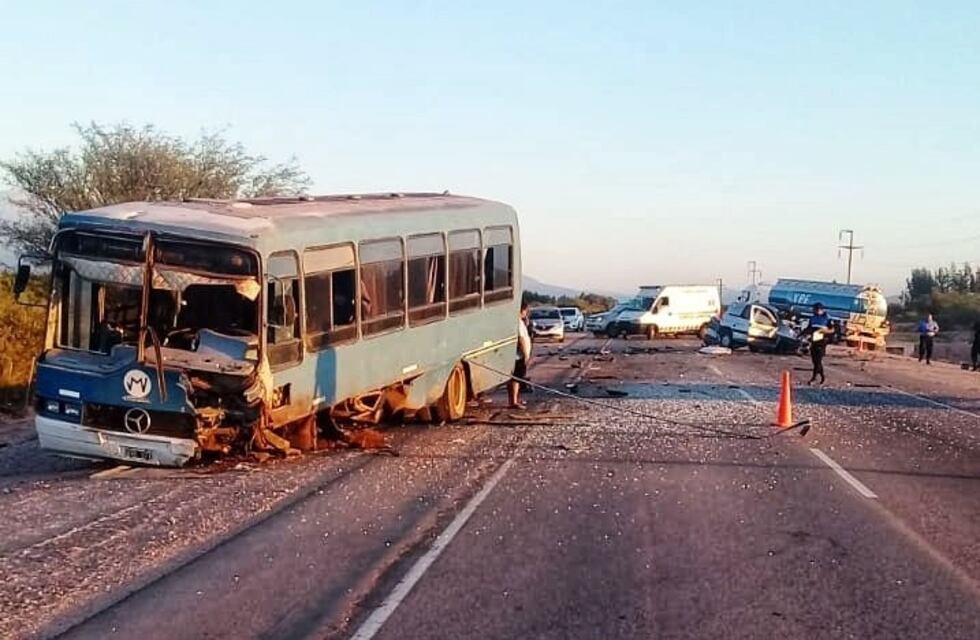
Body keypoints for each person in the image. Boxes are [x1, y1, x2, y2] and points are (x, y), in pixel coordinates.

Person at [509, 302, 532, 408]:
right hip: (519, 356)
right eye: (526, 311)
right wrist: (525, 354)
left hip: (517, 355)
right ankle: (514, 401)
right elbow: (521, 339)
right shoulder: (517, 322)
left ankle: (514, 400)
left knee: (515, 378)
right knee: (516, 378)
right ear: (521, 310)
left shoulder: (519, 322)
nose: (526, 313)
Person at [804, 302, 831, 385]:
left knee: (818, 360)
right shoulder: (813, 318)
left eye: (815, 309)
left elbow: (833, 330)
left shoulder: (827, 318)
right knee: (815, 360)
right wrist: (802, 334)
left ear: (820, 310)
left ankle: (814, 378)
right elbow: (809, 328)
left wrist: (825, 331)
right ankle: (822, 377)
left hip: (822, 342)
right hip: (814, 341)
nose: (814, 311)